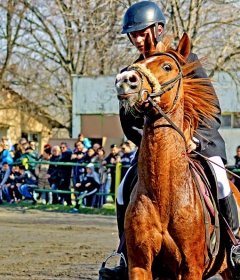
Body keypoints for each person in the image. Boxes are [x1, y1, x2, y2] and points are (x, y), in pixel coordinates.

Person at [99, 1, 240, 279]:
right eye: (133, 34)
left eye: (142, 32)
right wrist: (153, 142)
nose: (137, 39)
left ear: (158, 29)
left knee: (221, 181)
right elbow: (128, 123)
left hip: (198, 145)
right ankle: (125, 254)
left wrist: (194, 140)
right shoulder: (134, 71)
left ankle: (235, 245)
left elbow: (211, 110)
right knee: (123, 186)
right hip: (156, 152)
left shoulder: (186, 61)